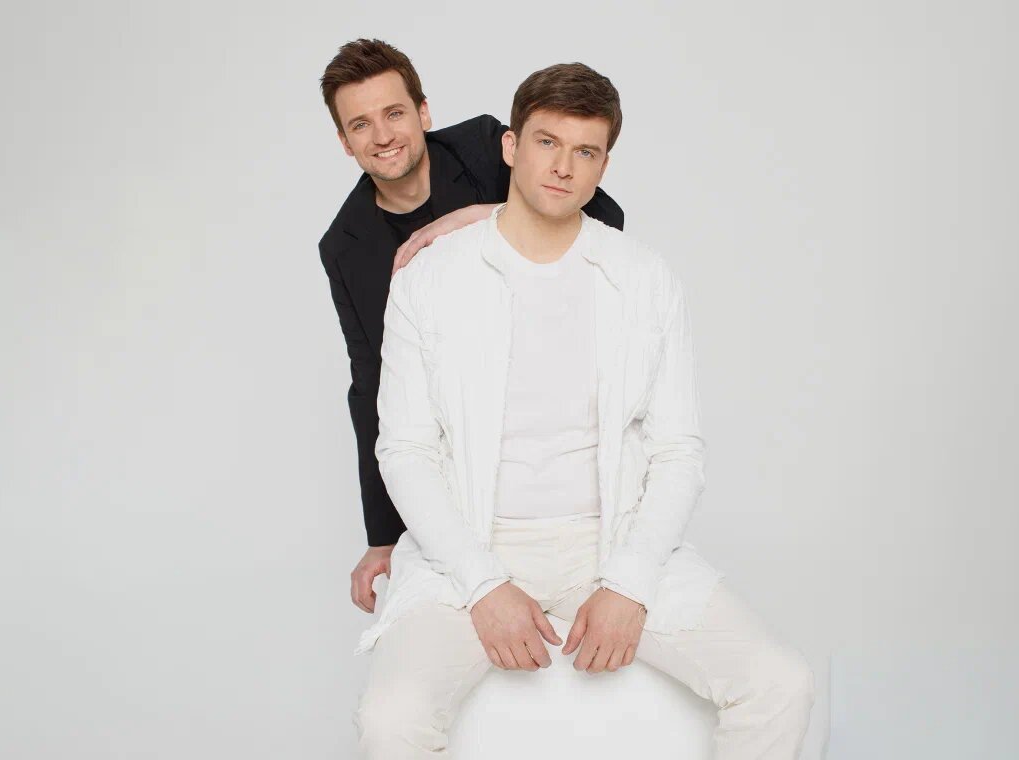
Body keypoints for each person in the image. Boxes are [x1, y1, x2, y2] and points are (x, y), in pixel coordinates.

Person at [354, 61, 816, 759]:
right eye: (546, 143)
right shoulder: (432, 280)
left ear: (603, 164)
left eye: (586, 151)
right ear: (510, 146)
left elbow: (678, 450)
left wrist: (629, 583)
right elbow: (405, 450)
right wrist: (483, 584)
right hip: (469, 542)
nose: (563, 167)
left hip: (609, 537)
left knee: (781, 685)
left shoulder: (644, 278)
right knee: (390, 721)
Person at [317, 39, 625, 616]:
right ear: (344, 140)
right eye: (360, 124)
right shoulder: (343, 246)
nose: (382, 135)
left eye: (394, 113)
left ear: (423, 112)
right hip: (462, 462)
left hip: (566, 428)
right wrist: (381, 536)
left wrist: (484, 216)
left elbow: (606, 218)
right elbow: (372, 382)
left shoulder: (484, 148)